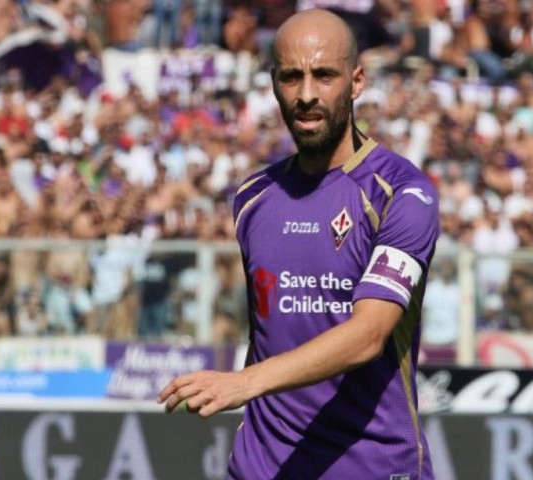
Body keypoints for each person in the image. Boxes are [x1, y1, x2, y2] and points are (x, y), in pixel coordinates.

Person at [158, 8, 440, 479]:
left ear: (356, 82)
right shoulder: (253, 199)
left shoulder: (402, 194)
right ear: (273, 83)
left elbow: (368, 335)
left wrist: (244, 383)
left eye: (324, 75)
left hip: (371, 468)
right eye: (292, 77)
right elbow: (268, 331)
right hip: (263, 468)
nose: (307, 94)